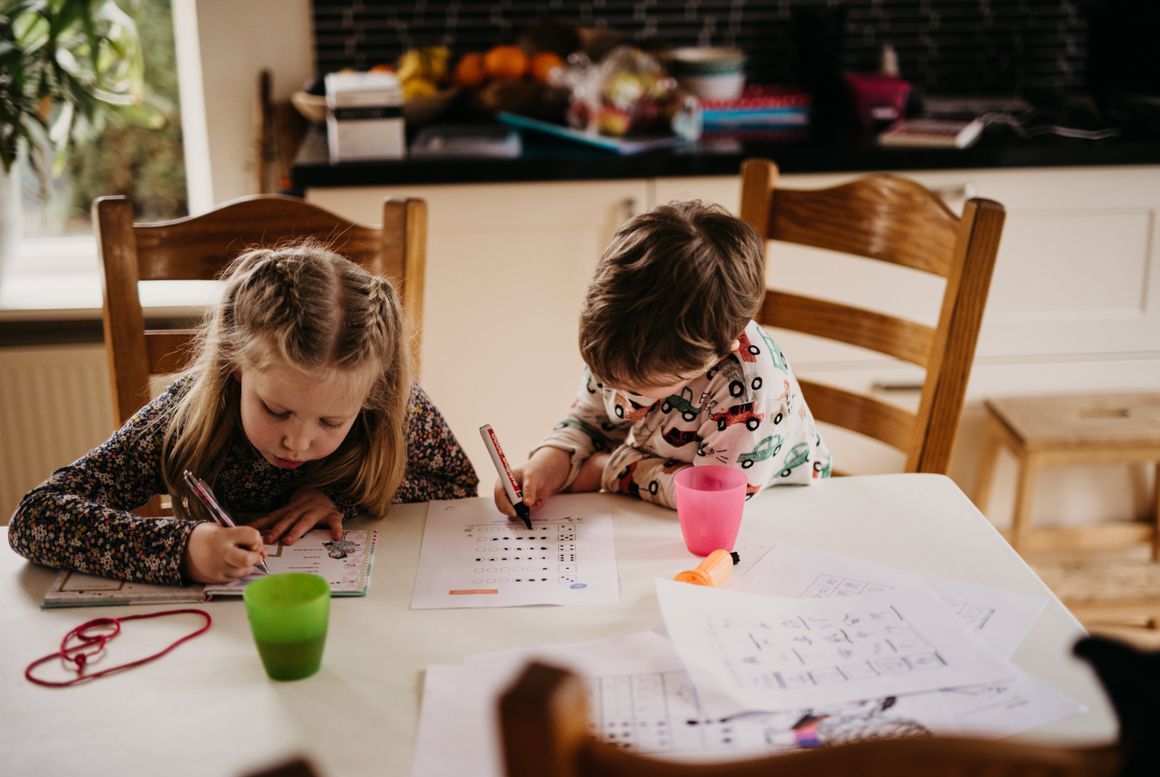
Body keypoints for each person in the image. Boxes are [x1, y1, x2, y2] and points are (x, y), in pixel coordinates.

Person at [10, 244, 477, 586]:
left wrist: (343, 498)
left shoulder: (395, 404)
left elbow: (455, 487)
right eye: (276, 410)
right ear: (236, 367)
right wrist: (184, 549)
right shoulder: (183, 417)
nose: (296, 442)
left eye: (331, 423)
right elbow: (34, 518)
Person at [495, 200, 829, 516]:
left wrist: (605, 470)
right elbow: (592, 418)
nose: (620, 395)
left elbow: (713, 496)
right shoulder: (618, 337)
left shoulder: (750, 393)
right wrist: (551, 460)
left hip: (778, 510)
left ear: (718, 352)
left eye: (638, 386)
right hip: (658, 502)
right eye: (609, 379)